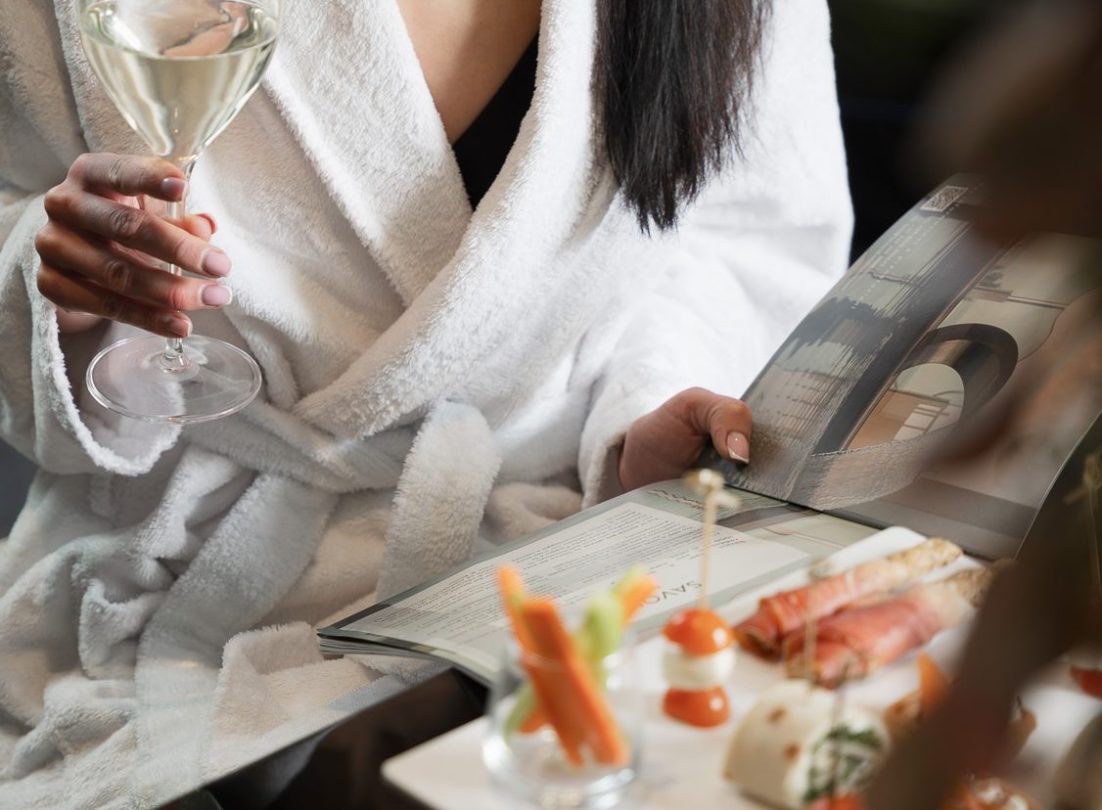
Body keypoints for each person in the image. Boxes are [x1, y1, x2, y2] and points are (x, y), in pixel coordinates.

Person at [0, 0, 852, 805]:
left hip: (558, 563)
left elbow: (740, 237)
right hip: (174, 563)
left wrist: (644, 419)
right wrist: (59, 288)